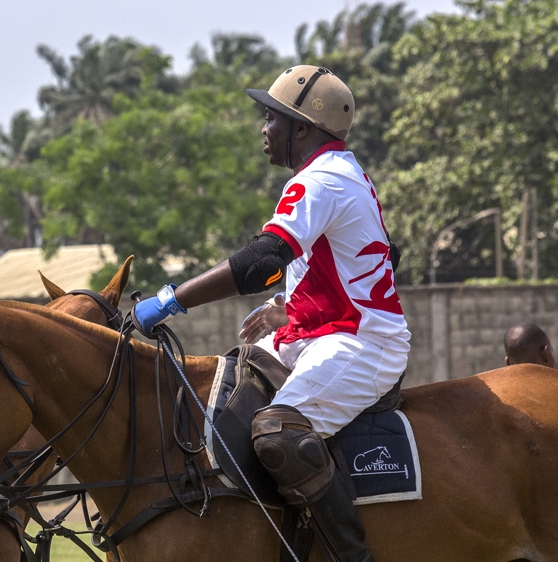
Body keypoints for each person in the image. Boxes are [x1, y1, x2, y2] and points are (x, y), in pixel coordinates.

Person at [134, 66, 410, 562]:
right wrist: (288, 307)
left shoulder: (322, 181)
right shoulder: (336, 173)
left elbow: (262, 261)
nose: (264, 128)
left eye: (271, 118)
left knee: (277, 433)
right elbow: (351, 268)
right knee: (218, 389)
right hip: (318, 334)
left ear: (301, 128)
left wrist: (171, 299)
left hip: (363, 345)